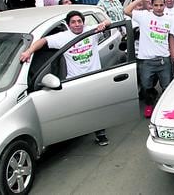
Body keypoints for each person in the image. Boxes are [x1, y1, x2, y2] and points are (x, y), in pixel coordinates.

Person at [19, 11, 111, 146]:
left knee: (96, 106)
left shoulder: (91, 31)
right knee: (78, 109)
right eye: (73, 22)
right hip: (74, 80)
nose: (77, 24)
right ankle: (78, 131)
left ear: (83, 22)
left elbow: (109, 22)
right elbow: (42, 41)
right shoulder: (62, 37)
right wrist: (28, 51)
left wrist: (103, 24)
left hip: (94, 77)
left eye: (79, 21)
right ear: (68, 25)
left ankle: (100, 133)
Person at [124, 0, 172, 118]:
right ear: (152, 5)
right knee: (146, 86)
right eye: (156, 5)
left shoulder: (170, 19)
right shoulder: (144, 16)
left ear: (165, 5)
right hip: (146, 61)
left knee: (167, 86)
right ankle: (150, 104)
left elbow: (172, 37)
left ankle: (165, 108)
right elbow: (126, 10)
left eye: (161, 5)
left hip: (164, 59)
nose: (159, 8)